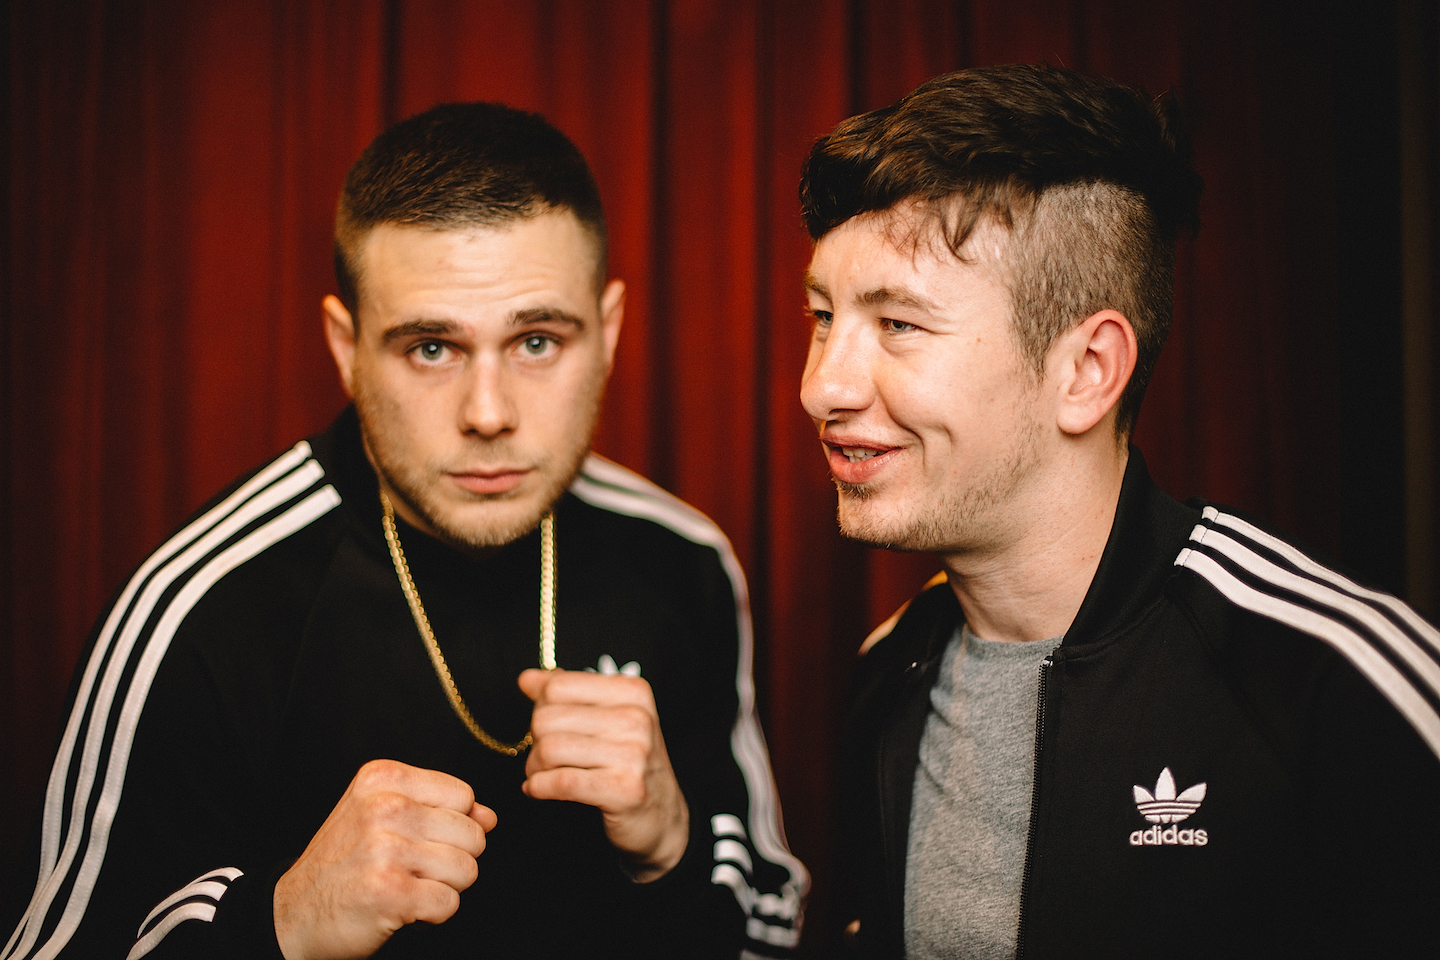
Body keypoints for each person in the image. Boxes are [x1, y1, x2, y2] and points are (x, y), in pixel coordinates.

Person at [5, 102, 805, 960]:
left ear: (607, 333)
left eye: (537, 341)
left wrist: (671, 847)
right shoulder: (197, 607)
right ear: (345, 346)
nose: (488, 413)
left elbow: (774, 931)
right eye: (431, 348)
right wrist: (280, 921)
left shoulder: (681, 560)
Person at [797, 64, 1440, 959]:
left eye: (899, 324)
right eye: (823, 317)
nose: (821, 386)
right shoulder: (889, 672)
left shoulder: (1333, 681)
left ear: (1087, 372)